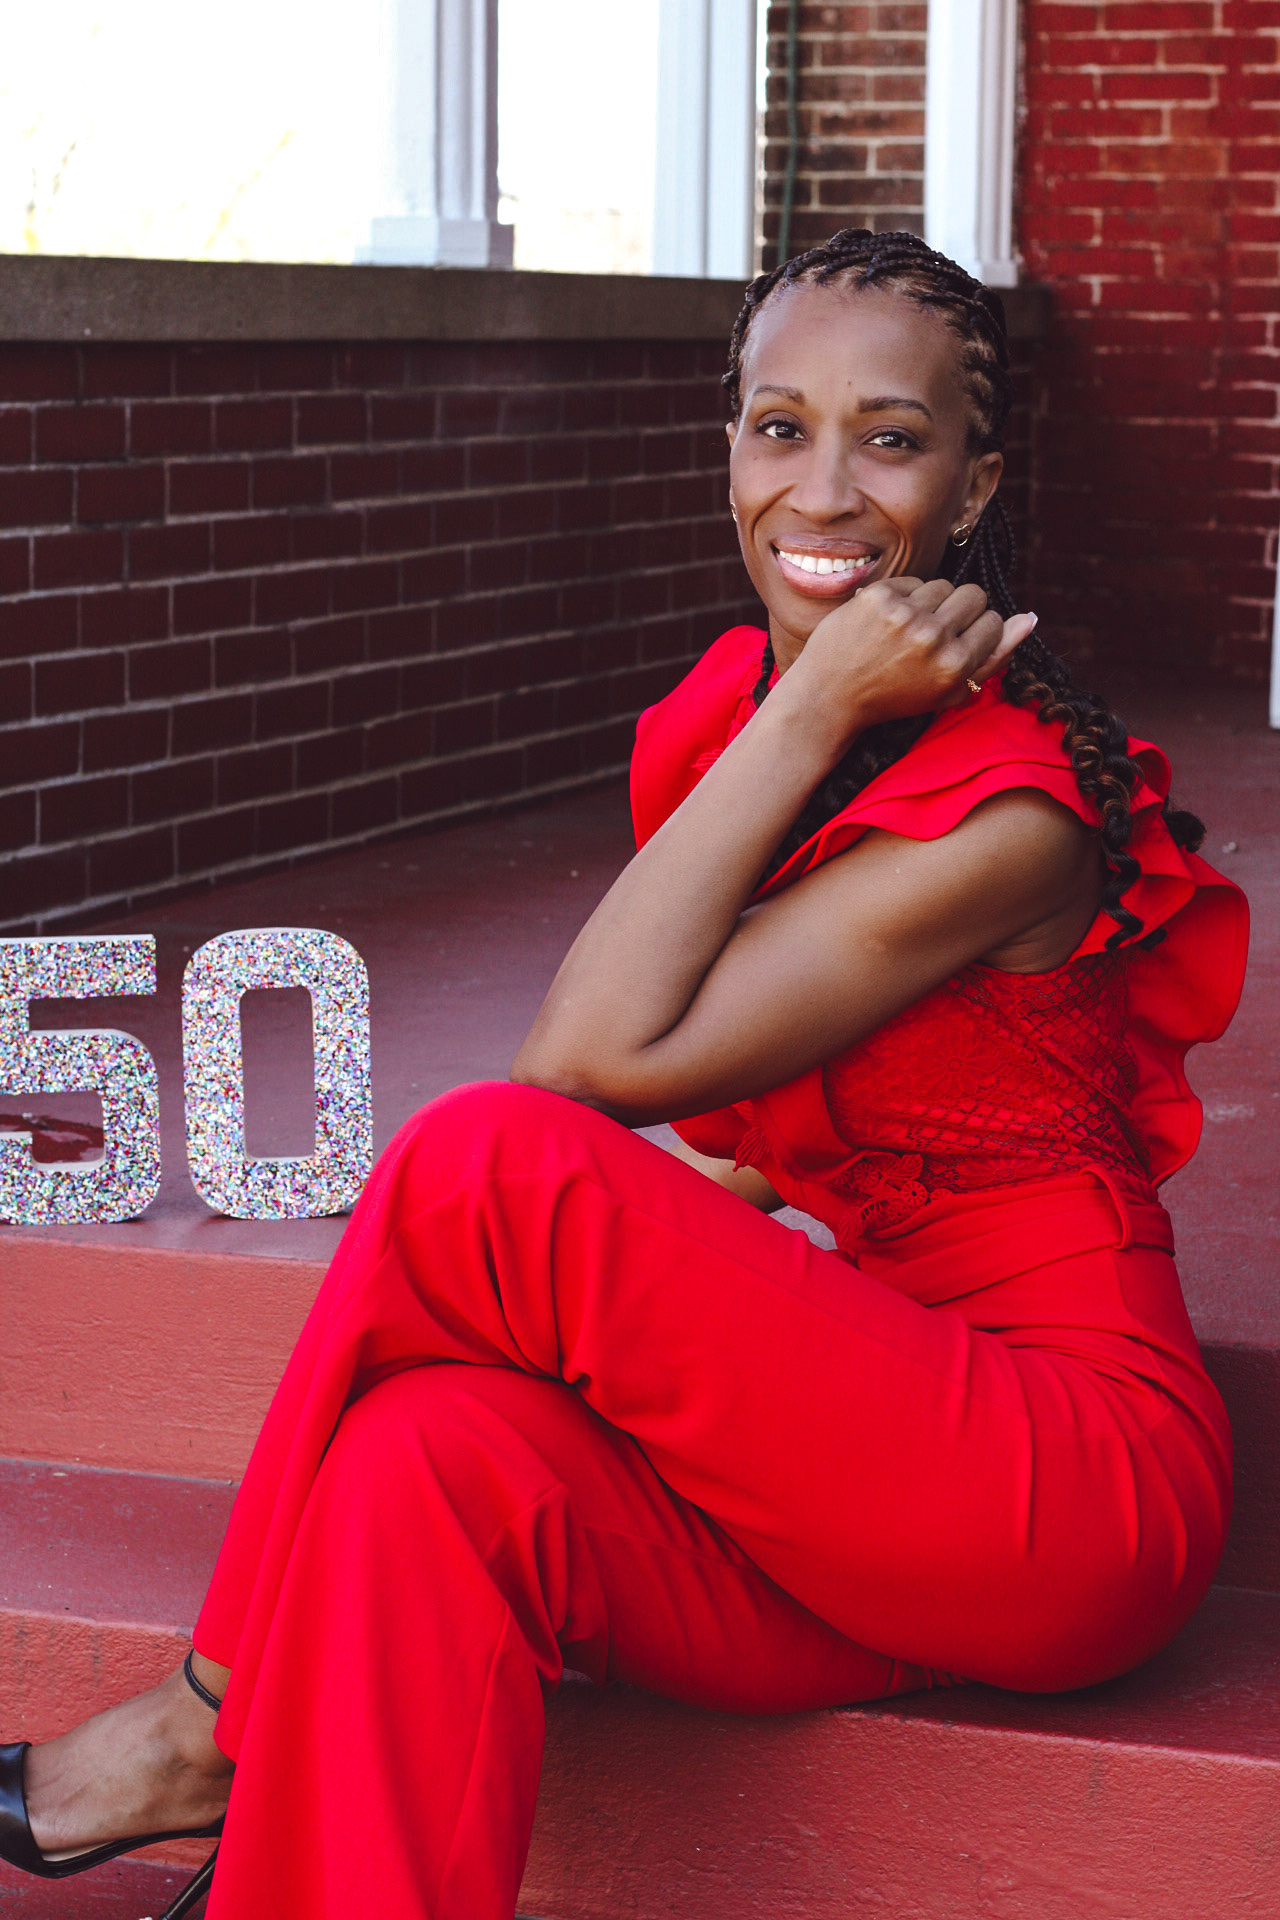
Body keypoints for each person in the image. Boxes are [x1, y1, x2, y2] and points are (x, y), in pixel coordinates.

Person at [0, 230, 1248, 1920]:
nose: (822, 488)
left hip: (1058, 1482)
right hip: (862, 1461)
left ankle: (209, 1723)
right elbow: (733, 1130)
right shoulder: (730, 728)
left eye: (890, 439)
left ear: (974, 486)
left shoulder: (1014, 811)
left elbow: (581, 1071)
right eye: (779, 427)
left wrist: (807, 714)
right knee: (426, 1457)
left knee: (480, 1157)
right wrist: (795, 721)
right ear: (726, 447)